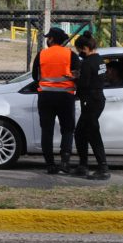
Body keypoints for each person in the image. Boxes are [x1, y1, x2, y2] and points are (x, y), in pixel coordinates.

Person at [32, 27, 81, 174]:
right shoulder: (71, 55)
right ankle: (65, 162)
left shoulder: (41, 54)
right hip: (65, 97)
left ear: (52, 39)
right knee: (67, 130)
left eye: (48, 37)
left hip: (46, 97)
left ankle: (50, 165)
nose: (47, 40)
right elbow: (78, 75)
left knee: (47, 131)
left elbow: (35, 76)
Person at [73, 31, 109, 180]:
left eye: (79, 50)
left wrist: (74, 79)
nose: (79, 53)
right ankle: (83, 165)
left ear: (85, 48)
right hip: (97, 99)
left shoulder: (87, 63)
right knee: (80, 132)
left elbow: (84, 84)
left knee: (93, 134)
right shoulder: (99, 60)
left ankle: (103, 168)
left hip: (91, 101)